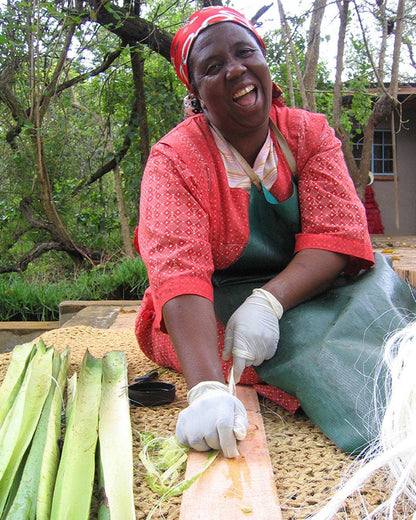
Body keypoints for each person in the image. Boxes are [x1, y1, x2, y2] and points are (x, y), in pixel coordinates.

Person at [134, 6, 416, 458]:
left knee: (388, 325)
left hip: (311, 284)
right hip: (217, 300)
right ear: (198, 96)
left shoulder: (309, 134)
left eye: (246, 53)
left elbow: (337, 235)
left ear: (265, 64)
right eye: (213, 67)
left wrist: (269, 301)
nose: (236, 70)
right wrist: (207, 389)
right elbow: (179, 274)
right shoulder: (175, 160)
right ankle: (384, 433)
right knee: (314, 350)